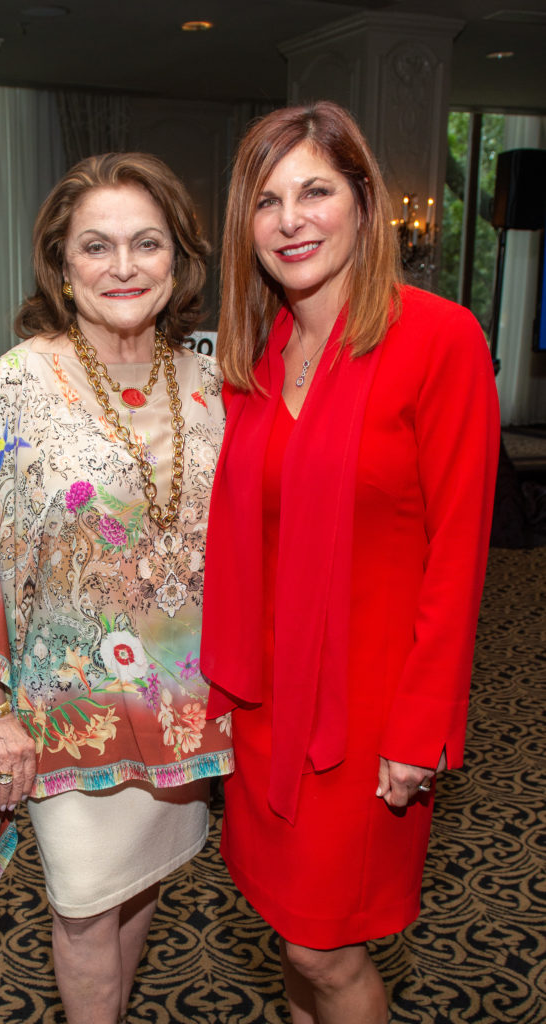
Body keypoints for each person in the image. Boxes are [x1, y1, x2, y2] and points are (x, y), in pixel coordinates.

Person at [0, 152, 233, 1024]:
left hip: (184, 709)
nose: (123, 266)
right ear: (61, 265)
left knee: (141, 889)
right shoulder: (17, 385)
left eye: (146, 243)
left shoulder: (213, 388)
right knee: (87, 906)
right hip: (59, 713)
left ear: (180, 259)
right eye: (97, 247)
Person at [200, 102, 500, 1024]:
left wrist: (421, 728)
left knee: (321, 950)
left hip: (369, 713)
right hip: (266, 704)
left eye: (316, 191)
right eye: (268, 200)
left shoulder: (439, 339)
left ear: (366, 204)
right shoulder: (258, 356)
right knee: (285, 924)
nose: (291, 219)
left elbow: (459, 555)